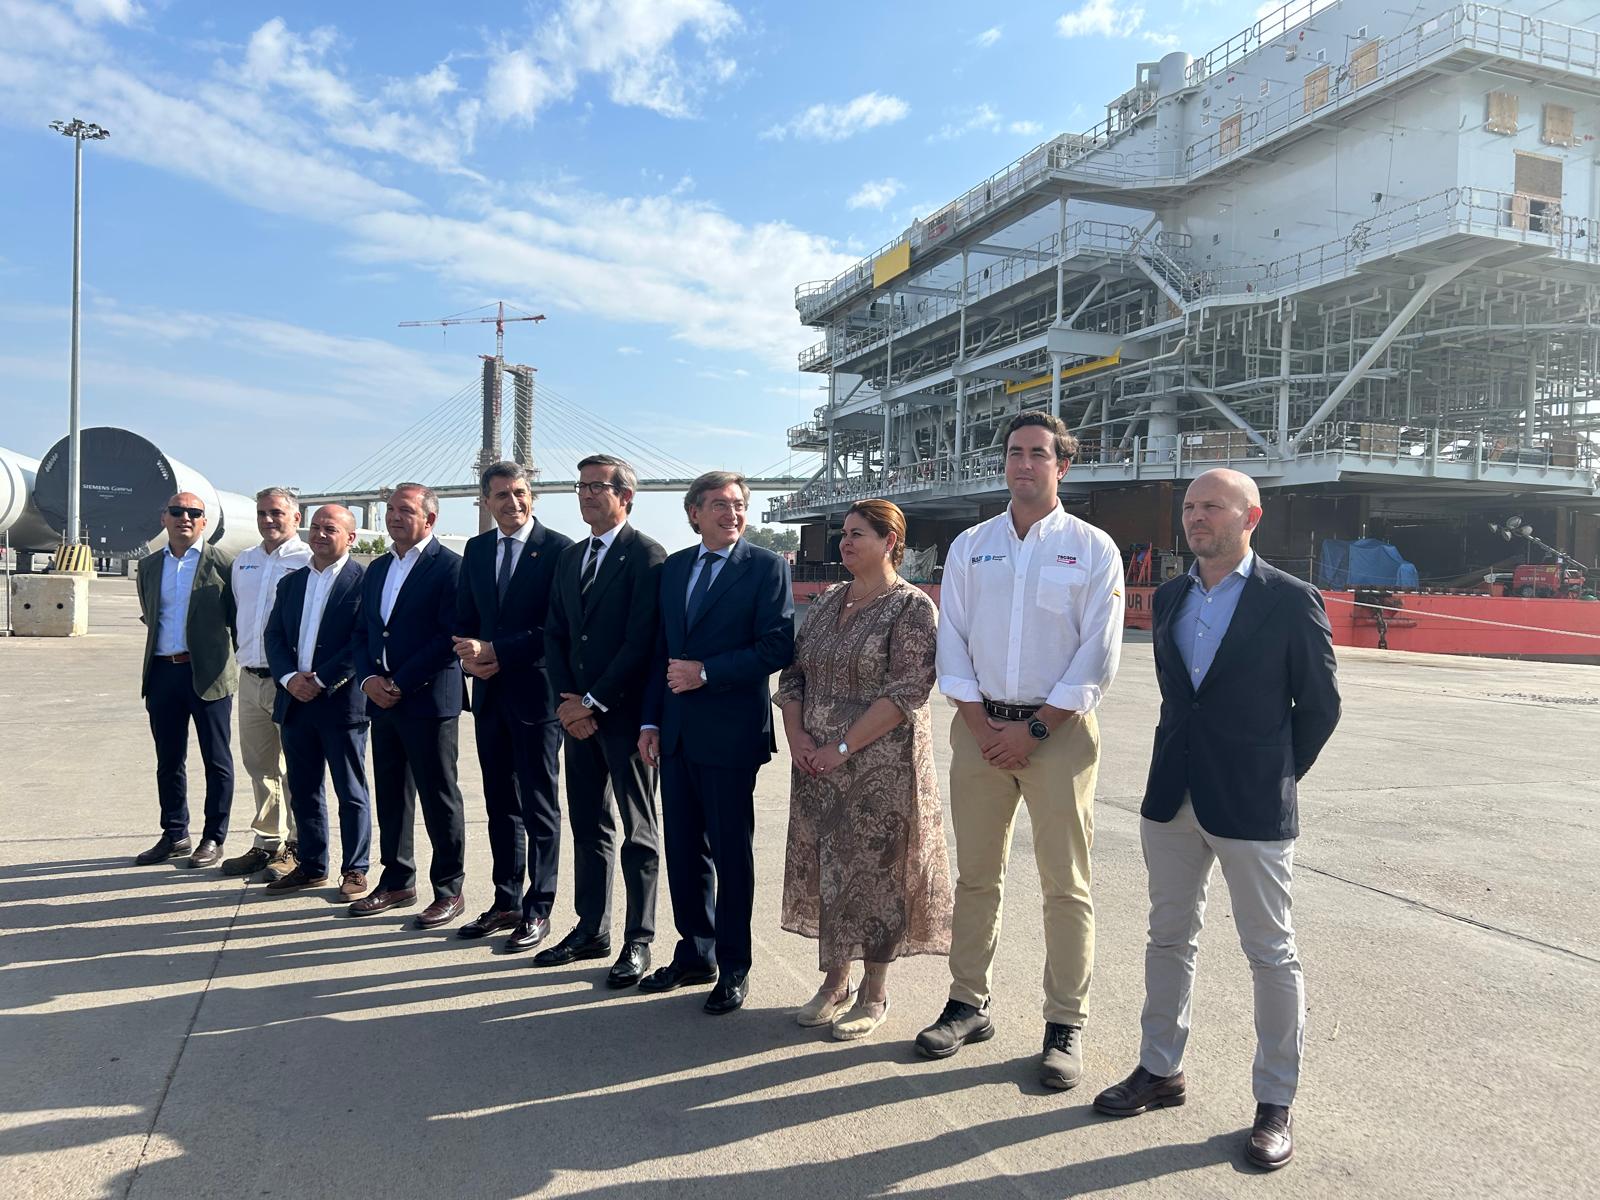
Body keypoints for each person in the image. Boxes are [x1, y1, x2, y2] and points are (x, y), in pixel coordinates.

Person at [1093, 468, 1340, 1172]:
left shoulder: (1291, 602)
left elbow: (1319, 708)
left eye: (1213, 507)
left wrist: (1273, 773)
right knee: (1168, 937)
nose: (1196, 517)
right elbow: (1184, 702)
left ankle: (1273, 1102)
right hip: (1173, 797)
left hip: (1252, 803)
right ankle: (1160, 1070)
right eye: (1191, 507)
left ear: (1250, 516)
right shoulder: (1171, 595)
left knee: (1270, 951)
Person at [918, 411, 1124, 1090]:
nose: (1024, 464)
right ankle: (967, 1003)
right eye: (1014, 452)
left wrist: (1032, 730)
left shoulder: (1094, 550)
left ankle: (1066, 1021)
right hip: (979, 731)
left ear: (1063, 465)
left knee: (1066, 884)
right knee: (977, 876)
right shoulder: (972, 546)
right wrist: (981, 726)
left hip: (1057, 734)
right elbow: (954, 645)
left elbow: (1097, 655)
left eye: (1039, 454)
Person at [775, 499, 950, 1041]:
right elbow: (795, 674)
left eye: (858, 535)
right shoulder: (827, 602)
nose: (846, 544)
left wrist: (842, 748)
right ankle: (834, 983)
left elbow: (906, 693)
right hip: (817, 766)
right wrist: (800, 737)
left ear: (889, 542)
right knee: (831, 869)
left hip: (881, 769)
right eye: (843, 535)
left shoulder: (911, 608)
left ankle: (874, 992)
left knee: (875, 876)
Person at [637, 471, 794, 1014]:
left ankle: (733, 965)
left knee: (731, 853)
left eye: (738, 504)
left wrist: (706, 673)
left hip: (730, 736)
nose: (732, 512)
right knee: (683, 851)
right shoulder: (675, 567)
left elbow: (777, 646)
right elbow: (662, 650)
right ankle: (694, 951)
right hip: (676, 735)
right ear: (693, 513)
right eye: (719, 504)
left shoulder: (766, 567)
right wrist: (650, 722)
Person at [542, 454, 666, 986]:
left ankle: (638, 940)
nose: (587, 494)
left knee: (638, 831)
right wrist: (567, 703)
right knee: (589, 823)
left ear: (625, 497)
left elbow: (642, 642)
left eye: (598, 486)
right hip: (577, 718)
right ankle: (591, 927)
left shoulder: (646, 556)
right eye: (581, 486)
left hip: (623, 718)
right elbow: (556, 634)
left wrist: (593, 701)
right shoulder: (571, 559)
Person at [452, 462, 572, 952]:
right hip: (489, 695)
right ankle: (506, 900)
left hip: (535, 697)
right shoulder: (477, 551)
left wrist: (498, 651)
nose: (512, 502)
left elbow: (556, 629)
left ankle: (539, 907)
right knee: (500, 803)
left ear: (533, 497)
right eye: (501, 495)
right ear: (486, 502)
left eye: (520, 493)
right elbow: (464, 619)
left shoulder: (559, 550)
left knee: (539, 804)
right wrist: (468, 659)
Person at [350, 483, 468, 929]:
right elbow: (363, 632)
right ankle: (398, 878)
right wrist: (368, 680)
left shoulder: (450, 568)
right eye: (389, 510)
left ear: (429, 519)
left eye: (405, 510)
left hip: (428, 701)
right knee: (392, 794)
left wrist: (398, 681)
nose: (393, 517)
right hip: (382, 700)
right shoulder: (377, 568)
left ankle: (449, 889)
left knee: (439, 796)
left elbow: (447, 638)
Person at [261, 505, 372, 899]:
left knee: (350, 791)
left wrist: (322, 679)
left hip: (341, 703)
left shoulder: (364, 581)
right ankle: (312, 865)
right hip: (295, 701)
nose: (321, 534)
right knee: (304, 789)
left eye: (331, 528)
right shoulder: (292, 583)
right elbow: (273, 636)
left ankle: (355, 869)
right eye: (317, 527)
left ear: (351, 538)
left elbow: (361, 640)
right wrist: (290, 679)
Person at [133, 493, 239, 868]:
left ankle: (214, 837)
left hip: (208, 674)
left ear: (204, 522)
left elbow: (236, 620)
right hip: (163, 673)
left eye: (194, 513)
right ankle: (175, 833)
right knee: (168, 760)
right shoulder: (148, 567)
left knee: (217, 760)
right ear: (164, 518)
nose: (185, 518)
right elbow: (150, 614)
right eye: (177, 511)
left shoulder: (223, 563)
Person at [223, 487, 312, 880]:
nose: (268, 520)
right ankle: (266, 842)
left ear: (296, 517)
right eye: (262, 513)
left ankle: (297, 845)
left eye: (276, 513)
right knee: (259, 766)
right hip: (250, 679)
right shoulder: (244, 562)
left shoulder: (308, 560)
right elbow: (236, 616)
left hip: (288, 682)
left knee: (296, 767)